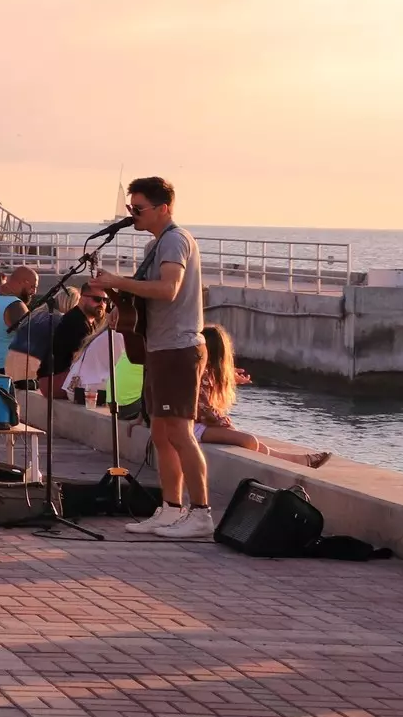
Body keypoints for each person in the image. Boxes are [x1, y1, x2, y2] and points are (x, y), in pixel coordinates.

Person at [95, 176, 216, 540]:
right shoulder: (157, 244)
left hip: (178, 349)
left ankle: (201, 513)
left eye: (139, 209)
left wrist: (118, 281)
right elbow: (147, 298)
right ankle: (171, 508)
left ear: (163, 207)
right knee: (161, 434)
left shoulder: (176, 240)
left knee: (180, 432)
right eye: (130, 208)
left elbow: (168, 288)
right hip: (160, 348)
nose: (132, 215)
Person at [195, 327, 331, 467]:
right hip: (194, 428)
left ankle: (299, 460)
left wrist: (227, 377)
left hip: (195, 427)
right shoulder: (204, 374)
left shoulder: (202, 371)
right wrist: (224, 422)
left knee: (254, 443)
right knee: (249, 441)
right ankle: (299, 461)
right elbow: (205, 410)